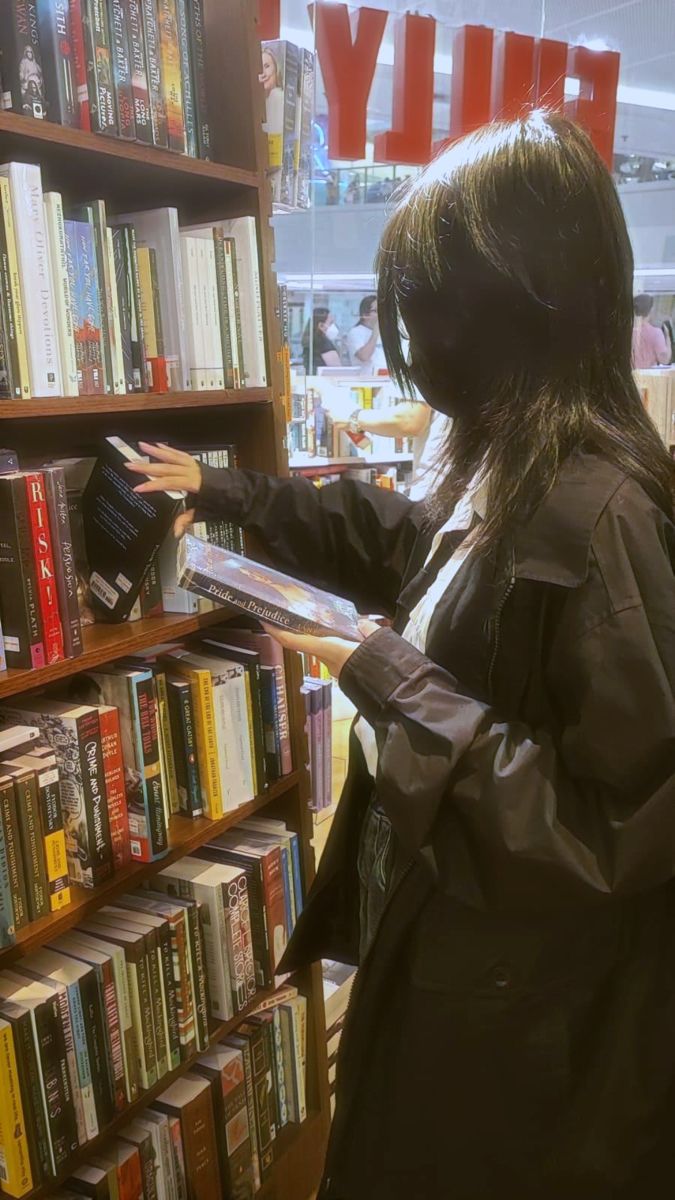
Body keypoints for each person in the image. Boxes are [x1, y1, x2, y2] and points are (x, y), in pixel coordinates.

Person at [129, 112, 675, 1200]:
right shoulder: (519, 467)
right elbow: (406, 542)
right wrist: (232, 493)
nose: (406, 351)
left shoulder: (602, 515)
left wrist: (379, 671)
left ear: (500, 311)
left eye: (421, 316)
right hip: (465, 965)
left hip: (527, 1034)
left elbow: (608, 839)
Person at [347, 296, 387, 373]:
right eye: (376, 311)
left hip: (386, 379)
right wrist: (375, 332)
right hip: (366, 381)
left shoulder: (385, 332)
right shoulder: (355, 332)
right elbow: (364, 356)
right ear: (365, 314)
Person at [632, 293, 671, 367]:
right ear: (651, 310)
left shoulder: (627, 332)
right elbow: (664, 360)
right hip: (648, 376)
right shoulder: (656, 333)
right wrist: (667, 337)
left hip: (630, 375)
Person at [301, 308, 341, 372]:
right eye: (331, 323)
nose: (334, 326)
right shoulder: (324, 344)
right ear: (321, 326)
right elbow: (338, 370)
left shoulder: (311, 342)